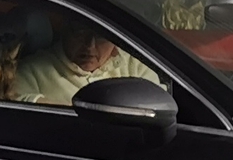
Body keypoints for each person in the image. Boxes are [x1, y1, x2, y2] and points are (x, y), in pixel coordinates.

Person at [10, 17, 148, 104]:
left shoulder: (136, 66)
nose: (90, 45)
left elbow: (160, 111)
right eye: (81, 32)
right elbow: (16, 104)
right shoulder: (32, 71)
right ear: (65, 29)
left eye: (101, 36)